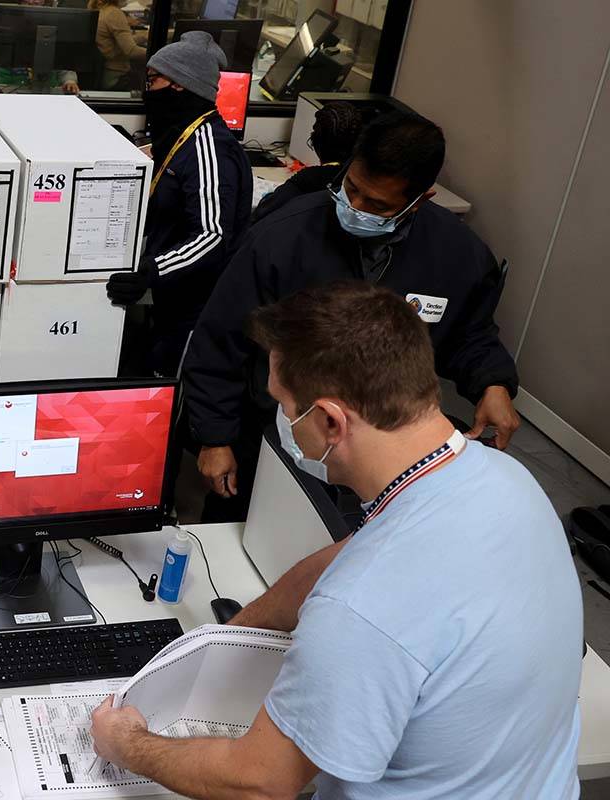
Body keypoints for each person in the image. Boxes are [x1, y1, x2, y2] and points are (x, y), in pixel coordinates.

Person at [91, 282, 581, 799]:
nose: (282, 420)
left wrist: (129, 744)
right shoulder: (500, 477)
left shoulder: (359, 607)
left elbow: (260, 783)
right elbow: (354, 552)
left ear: (329, 421)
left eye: (283, 404)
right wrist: (227, 637)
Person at [185, 111, 520, 521]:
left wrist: (493, 383)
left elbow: (469, 333)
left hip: (381, 450)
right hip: (274, 435)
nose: (356, 208)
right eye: (352, 189)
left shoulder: (460, 256)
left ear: (420, 200)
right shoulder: (281, 238)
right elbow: (219, 340)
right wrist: (215, 437)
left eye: (377, 204)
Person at [105, 31, 251, 376]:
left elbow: (211, 236)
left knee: (169, 388)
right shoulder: (179, 138)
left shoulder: (210, 147)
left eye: (154, 80)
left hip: (195, 309)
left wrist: (150, 272)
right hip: (171, 300)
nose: (148, 89)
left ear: (180, 86)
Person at [252, 101, 363, 222]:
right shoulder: (361, 179)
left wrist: (269, 198)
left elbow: (262, 214)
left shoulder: (309, 179)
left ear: (315, 141)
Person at [89, 0, 147, 90]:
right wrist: (158, 54)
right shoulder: (114, 13)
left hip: (104, 74)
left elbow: (115, 43)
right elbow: (131, 51)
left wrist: (144, 36)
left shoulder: (100, 10)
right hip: (117, 77)